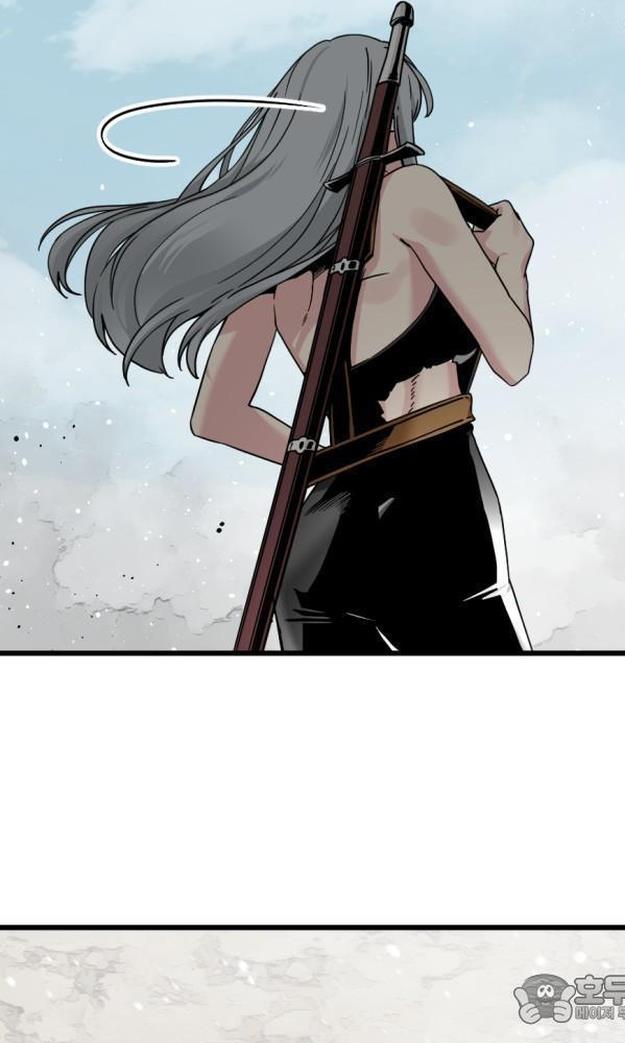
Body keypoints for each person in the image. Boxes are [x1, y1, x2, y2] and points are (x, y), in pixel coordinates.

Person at [43, 33, 533, 653]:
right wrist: (510, 262)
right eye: (401, 115)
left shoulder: (279, 247)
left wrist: (330, 463)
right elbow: (513, 357)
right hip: (435, 512)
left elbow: (217, 416)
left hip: (316, 547)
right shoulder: (414, 194)